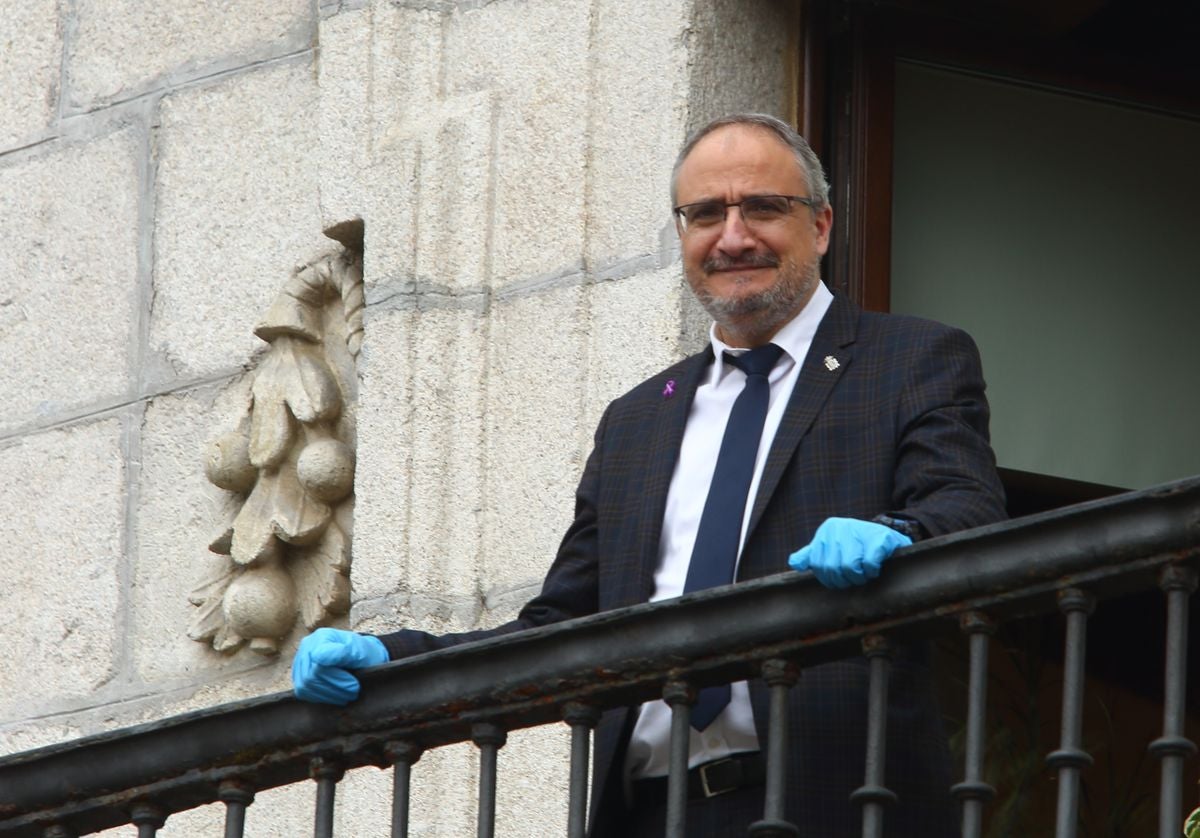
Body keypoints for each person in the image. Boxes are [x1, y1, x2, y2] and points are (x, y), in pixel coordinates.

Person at [291, 113, 1006, 836]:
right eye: (706, 215)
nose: (733, 237)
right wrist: (392, 657)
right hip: (648, 817)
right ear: (683, 236)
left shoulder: (910, 360)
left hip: (838, 804)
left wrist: (896, 532)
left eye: (763, 207)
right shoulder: (636, 421)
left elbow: (968, 513)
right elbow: (563, 626)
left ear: (820, 226)